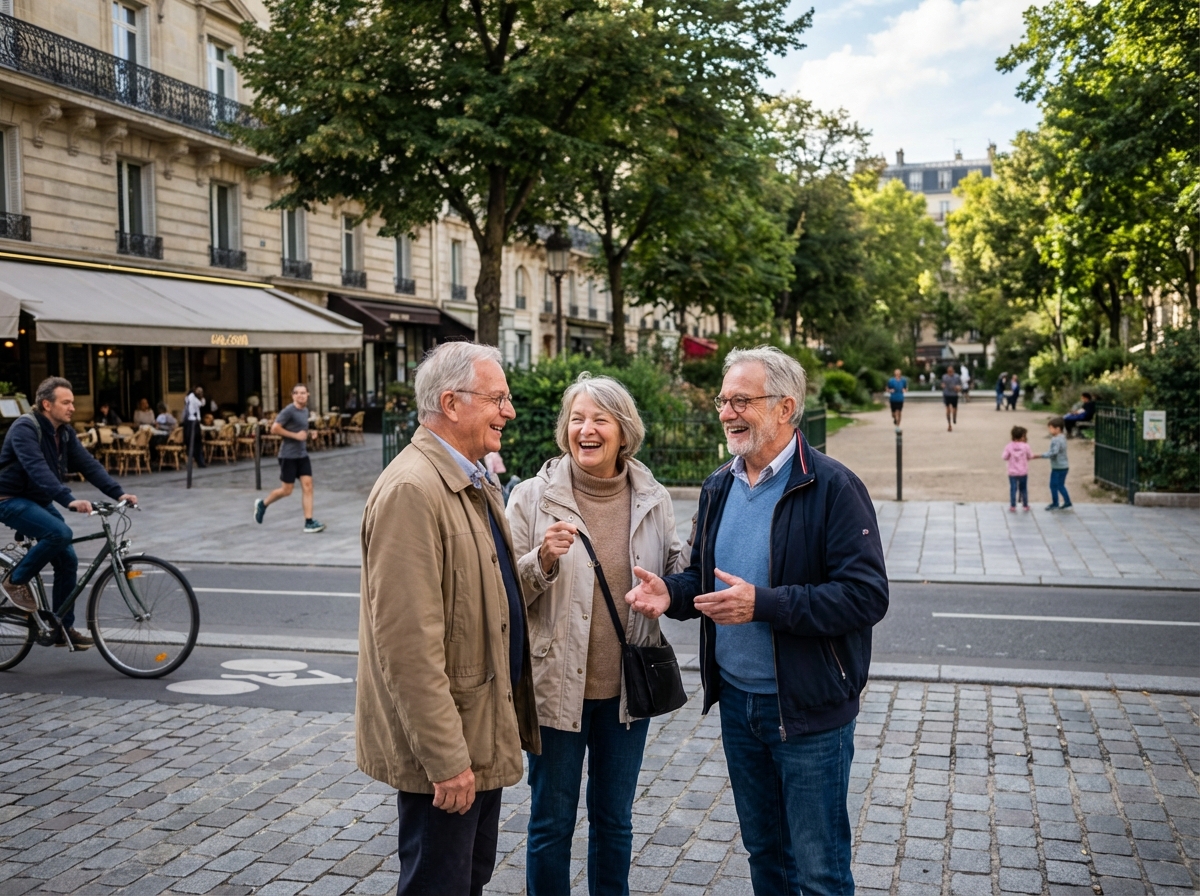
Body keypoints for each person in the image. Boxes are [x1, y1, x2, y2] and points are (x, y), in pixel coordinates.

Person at [626, 346, 889, 895]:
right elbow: (703, 576)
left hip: (808, 710)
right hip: (739, 705)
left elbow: (866, 597)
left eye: (741, 400)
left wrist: (764, 605)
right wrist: (669, 593)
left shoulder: (834, 487)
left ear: (786, 406)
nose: (726, 412)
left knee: (819, 870)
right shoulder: (720, 483)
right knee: (765, 855)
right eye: (724, 400)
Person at [357, 342, 539, 896]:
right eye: (498, 398)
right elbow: (407, 647)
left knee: (467, 879)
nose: (509, 411)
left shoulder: (471, 477)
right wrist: (445, 759)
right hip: (451, 746)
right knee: (439, 884)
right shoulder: (413, 490)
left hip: (478, 728)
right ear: (451, 403)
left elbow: (488, 595)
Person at [506, 374, 685, 896]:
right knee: (550, 824)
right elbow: (504, 594)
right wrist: (541, 559)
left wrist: (679, 575)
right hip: (557, 690)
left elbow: (674, 569)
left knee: (615, 821)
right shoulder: (532, 498)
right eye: (577, 419)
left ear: (622, 432)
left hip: (626, 693)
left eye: (599, 419)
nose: (586, 429)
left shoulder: (652, 497)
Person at [0, 377, 137, 647]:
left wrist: (118, 493)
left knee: (68, 560)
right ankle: (16, 581)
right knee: (59, 533)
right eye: (66, 402)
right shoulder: (24, 429)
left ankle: (61, 628)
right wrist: (68, 499)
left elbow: (88, 464)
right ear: (46, 404)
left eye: (73, 402)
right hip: (9, 498)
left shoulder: (64, 433)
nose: (72, 407)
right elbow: (36, 468)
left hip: (38, 499)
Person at [254, 384, 325, 533]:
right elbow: (275, 428)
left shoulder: (305, 411)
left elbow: (301, 429)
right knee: (287, 490)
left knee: (308, 486)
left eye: (303, 393)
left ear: (308, 395)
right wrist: (295, 436)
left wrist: (310, 433)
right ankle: (263, 504)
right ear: (293, 396)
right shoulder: (288, 411)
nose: (300, 395)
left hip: (302, 455)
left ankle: (309, 522)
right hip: (288, 455)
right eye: (297, 393)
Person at [1037, 417, 1072, 510]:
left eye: (1051, 428)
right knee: (1060, 485)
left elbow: (1054, 452)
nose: (1050, 430)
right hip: (1063, 465)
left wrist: (1041, 455)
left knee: (1054, 485)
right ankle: (1067, 501)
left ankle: (1055, 503)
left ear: (1058, 429)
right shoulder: (1062, 437)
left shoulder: (1056, 439)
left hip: (1058, 467)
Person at [1003, 426, 1034, 512]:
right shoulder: (1026, 446)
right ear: (1022, 436)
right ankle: (1025, 505)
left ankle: (1013, 505)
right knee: (1023, 489)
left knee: (1013, 488)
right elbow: (1030, 456)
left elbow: (1004, 457)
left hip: (1012, 472)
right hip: (1023, 471)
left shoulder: (1009, 446)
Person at [182, 386, 207, 468]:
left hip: (193, 421)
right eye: (199, 391)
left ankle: (198, 460)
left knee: (196, 442)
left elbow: (203, 403)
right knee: (194, 442)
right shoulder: (192, 397)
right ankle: (197, 460)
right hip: (192, 422)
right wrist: (201, 397)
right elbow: (201, 403)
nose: (200, 393)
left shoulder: (190, 397)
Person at [941, 364, 963, 431]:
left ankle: (954, 417)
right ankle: (949, 424)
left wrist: (958, 388)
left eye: (951, 371)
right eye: (949, 371)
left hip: (954, 394)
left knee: (954, 408)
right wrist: (943, 386)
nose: (950, 372)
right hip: (947, 394)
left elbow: (960, 385)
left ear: (953, 371)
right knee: (948, 409)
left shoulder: (956, 377)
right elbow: (942, 384)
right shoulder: (944, 377)